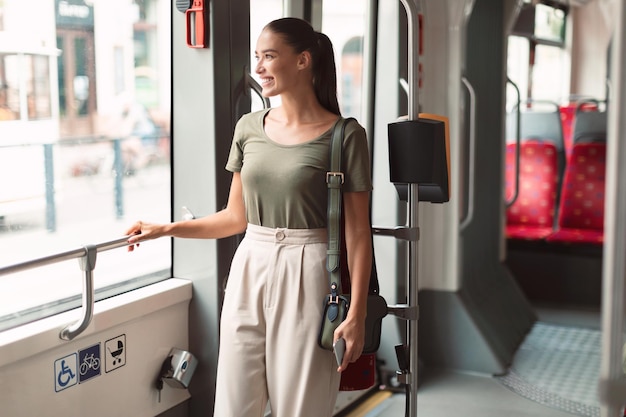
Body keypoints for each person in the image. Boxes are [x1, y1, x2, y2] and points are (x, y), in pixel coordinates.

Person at [125, 17, 373, 417]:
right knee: (234, 404)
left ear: (303, 61)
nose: (258, 67)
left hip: (309, 269)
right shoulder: (249, 128)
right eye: (256, 56)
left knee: (301, 406)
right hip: (250, 264)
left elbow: (357, 234)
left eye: (269, 56)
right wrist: (165, 229)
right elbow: (234, 217)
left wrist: (357, 313)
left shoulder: (344, 136)